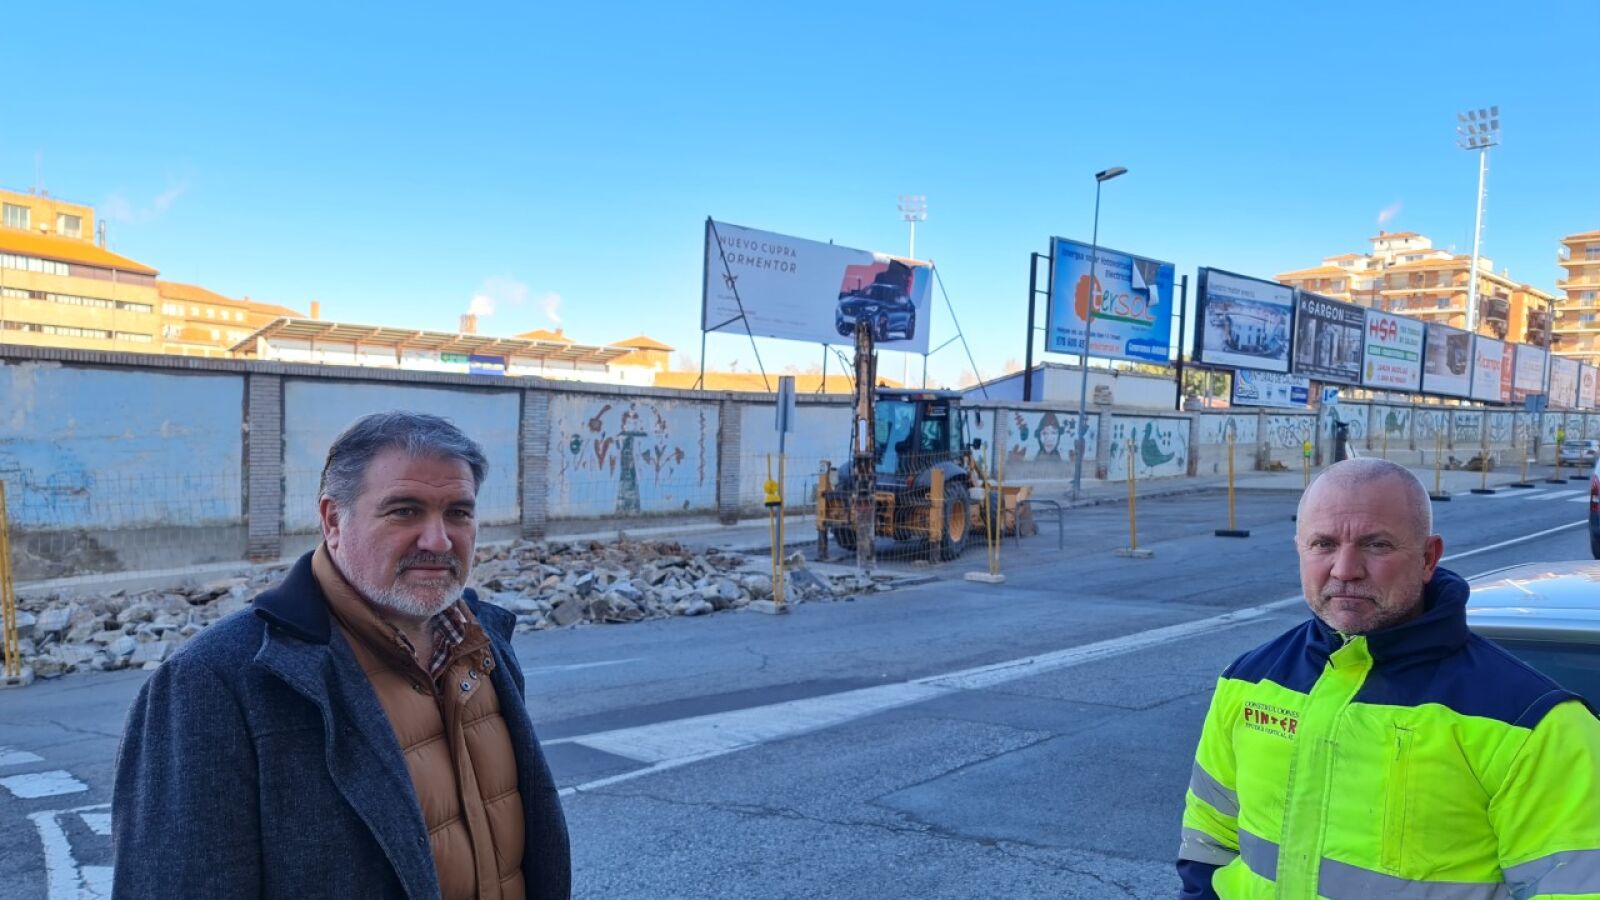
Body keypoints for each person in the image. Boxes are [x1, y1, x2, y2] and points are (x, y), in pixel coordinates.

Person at [113, 411, 570, 899]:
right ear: (333, 519)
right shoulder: (214, 681)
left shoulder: (483, 643)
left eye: (458, 512)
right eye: (405, 511)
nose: (438, 540)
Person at [1177, 458, 1600, 899]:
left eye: (1376, 545)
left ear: (1428, 558)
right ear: (1299, 549)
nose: (1345, 569)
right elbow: (1208, 839)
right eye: (1323, 544)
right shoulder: (1248, 681)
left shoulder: (1535, 724)